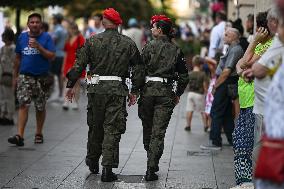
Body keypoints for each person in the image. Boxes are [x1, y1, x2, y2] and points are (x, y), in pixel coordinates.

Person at [65, 8, 144, 182]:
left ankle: (93, 160)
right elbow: (138, 68)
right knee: (112, 129)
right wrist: (135, 91)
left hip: (95, 90)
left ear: (103, 22)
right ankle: (107, 169)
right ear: (117, 24)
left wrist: (70, 85)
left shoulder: (92, 41)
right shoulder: (128, 43)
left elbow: (79, 65)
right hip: (116, 91)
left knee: (95, 126)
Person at [138, 15, 188, 181]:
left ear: (160, 30)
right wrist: (177, 94)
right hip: (165, 94)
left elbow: (139, 70)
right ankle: (151, 167)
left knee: (148, 129)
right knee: (158, 133)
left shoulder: (148, 46)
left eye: (153, 27)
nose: (151, 29)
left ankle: (151, 159)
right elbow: (184, 76)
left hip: (147, 93)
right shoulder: (177, 50)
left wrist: (135, 90)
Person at [7, 13, 55, 146]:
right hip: (25, 76)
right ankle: (19, 136)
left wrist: (39, 47)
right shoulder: (22, 37)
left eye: (37, 22)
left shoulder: (47, 38)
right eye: (32, 22)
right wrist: (15, 76)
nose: (34, 24)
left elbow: (52, 56)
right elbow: (17, 58)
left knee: (40, 106)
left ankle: (39, 133)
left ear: (41, 24)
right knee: (23, 104)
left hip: (42, 77)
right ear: (28, 24)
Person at [200, 27, 244, 150]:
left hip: (225, 83)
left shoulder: (235, 50)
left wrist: (216, 85)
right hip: (226, 82)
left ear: (233, 37)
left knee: (216, 111)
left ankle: (215, 142)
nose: (223, 37)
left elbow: (226, 71)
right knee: (225, 113)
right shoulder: (232, 48)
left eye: (226, 35)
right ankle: (232, 140)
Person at [62, 22, 85, 110]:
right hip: (68, 62)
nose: (70, 31)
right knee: (67, 83)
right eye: (69, 29)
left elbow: (83, 52)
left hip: (77, 63)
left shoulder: (80, 38)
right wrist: (63, 67)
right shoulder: (68, 38)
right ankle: (66, 101)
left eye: (72, 29)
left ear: (75, 29)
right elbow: (65, 53)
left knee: (76, 84)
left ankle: (75, 102)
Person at [185, 55, 208, 132]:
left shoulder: (190, 73)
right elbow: (205, 86)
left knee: (189, 110)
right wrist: (206, 94)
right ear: (200, 64)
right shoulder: (202, 74)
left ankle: (188, 125)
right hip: (199, 94)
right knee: (203, 111)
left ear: (193, 64)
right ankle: (205, 126)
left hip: (190, 94)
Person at [50, 13, 67, 101]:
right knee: (60, 74)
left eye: (54, 19)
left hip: (56, 55)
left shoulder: (58, 30)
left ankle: (56, 94)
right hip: (62, 54)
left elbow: (53, 41)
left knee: (54, 74)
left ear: (56, 20)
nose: (52, 20)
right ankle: (60, 94)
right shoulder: (64, 29)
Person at [0, 28, 16, 125]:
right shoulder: (2, 49)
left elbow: (15, 63)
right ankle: (2, 114)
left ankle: (9, 116)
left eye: (4, 36)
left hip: (10, 74)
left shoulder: (13, 49)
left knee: (9, 96)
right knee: (2, 96)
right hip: (2, 74)